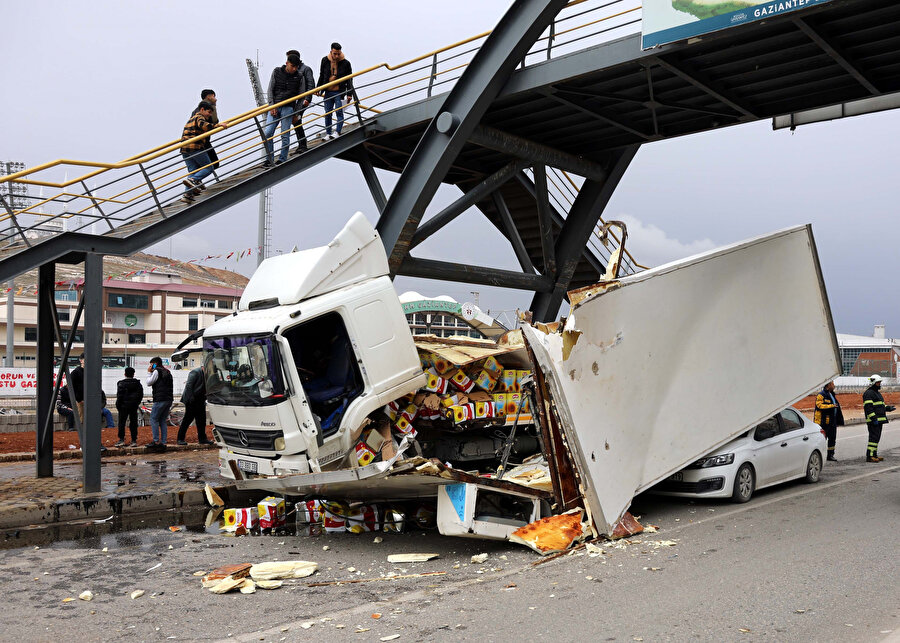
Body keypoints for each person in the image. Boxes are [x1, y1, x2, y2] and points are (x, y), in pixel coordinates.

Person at [180, 100, 228, 204]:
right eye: (209, 112)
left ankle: (187, 195)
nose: (209, 115)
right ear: (202, 109)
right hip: (194, 147)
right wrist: (218, 125)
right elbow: (204, 126)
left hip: (184, 149)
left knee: (193, 171)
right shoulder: (199, 117)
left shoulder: (191, 119)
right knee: (209, 167)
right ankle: (194, 180)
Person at [264, 53, 303, 166]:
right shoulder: (277, 71)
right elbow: (270, 89)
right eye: (292, 66)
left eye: (296, 67)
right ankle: (269, 159)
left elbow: (301, 96)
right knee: (267, 133)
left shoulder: (299, 76)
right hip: (275, 106)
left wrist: (296, 113)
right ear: (287, 63)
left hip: (288, 108)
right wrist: (272, 106)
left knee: (285, 135)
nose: (294, 69)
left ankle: (282, 158)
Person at [317, 42, 353, 139]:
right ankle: (328, 133)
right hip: (328, 91)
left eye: (338, 54)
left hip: (339, 91)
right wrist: (318, 88)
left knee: (339, 112)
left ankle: (337, 131)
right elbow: (322, 75)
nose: (337, 56)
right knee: (328, 113)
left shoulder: (346, 63)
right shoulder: (325, 60)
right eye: (335, 54)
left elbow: (349, 79)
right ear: (331, 52)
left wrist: (349, 93)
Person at [285, 50, 316, 154]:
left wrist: (308, 98)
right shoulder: (292, 70)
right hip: (295, 101)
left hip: (303, 100)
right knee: (296, 121)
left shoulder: (306, 69)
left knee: (297, 119)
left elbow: (311, 84)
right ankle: (301, 145)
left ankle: (303, 145)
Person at [862, 374, 895, 462]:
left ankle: (874, 454)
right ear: (873, 383)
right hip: (874, 421)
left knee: (876, 438)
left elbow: (880, 406)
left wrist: (888, 408)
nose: (879, 384)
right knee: (873, 439)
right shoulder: (869, 393)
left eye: (880, 382)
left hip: (878, 420)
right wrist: (874, 418)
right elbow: (868, 408)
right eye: (878, 382)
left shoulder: (877, 393)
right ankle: (870, 456)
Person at [176, 366, 211, 445]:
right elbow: (189, 385)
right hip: (191, 400)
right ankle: (180, 439)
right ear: (204, 367)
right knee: (187, 420)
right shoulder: (195, 372)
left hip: (200, 400)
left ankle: (202, 439)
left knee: (201, 420)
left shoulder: (207, 374)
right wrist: (191, 398)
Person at [145, 357, 174, 451]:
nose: (150, 366)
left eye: (151, 364)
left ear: (155, 364)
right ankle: (163, 442)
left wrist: (149, 372)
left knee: (153, 419)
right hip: (168, 399)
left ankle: (156, 441)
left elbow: (149, 382)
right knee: (162, 420)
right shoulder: (167, 372)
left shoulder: (157, 371)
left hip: (160, 399)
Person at [814, 380, 843, 461]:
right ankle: (820, 456)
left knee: (832, 438)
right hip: (823, 422)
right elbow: (819, 405)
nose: (834, 386)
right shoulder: (821, 395)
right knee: (822, 439)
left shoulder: (832, 394)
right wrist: (831, 406)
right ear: (828, 385)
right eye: (833, 384)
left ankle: (830, 455)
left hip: (832, 422)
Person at [191, 89, 221, 170]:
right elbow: (213, 121)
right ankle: (195, 177)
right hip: (201, 141)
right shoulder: (206, 109)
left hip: (196, 141)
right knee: (214, 164)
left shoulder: (196, 110)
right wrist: (214, 105)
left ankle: (195, 177)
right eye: (214, 96)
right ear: (208, 97)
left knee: (200, 166)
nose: (215, 99)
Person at [116, 366, 143, 447]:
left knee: (122, 423)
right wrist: (136, 403)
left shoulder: (121, 383)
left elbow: (119, 396)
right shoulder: (138, 384)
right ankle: (134, 440)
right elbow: (140, 395)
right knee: (133, 423)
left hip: (123, 406)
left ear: (125, 374)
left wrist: (118, 405)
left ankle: (121, 439)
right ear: (133, 374)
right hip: (133, 406)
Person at [70, 353, 85, 423]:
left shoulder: (91, 372)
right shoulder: (75, 372)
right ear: (81, 360)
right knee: (82, 419)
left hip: (90, 400)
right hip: (80, 401)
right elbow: (72, 387)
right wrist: (78, 399)